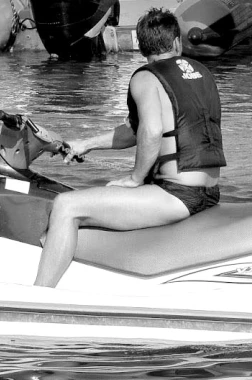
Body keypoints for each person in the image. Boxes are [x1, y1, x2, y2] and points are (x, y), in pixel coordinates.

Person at [34, 7, 226, 287]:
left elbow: (151, 130)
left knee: (66, 205)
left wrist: (135, 179)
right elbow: (140, 130)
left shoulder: (146, 77)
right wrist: (85, 144)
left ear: (141, 45)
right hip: (209, 190)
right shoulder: (202, 73)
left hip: (177, 195)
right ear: (176, 43)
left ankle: (41, 297)